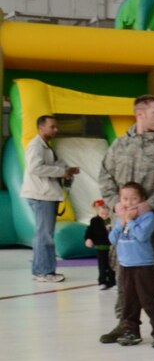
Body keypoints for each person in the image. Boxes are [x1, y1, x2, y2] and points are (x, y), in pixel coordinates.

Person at [98, 96, 154, 345]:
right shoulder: (119, 145)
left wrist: (149, 205)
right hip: (128, 229)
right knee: (125, 277)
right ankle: (126, 324)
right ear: (140, 114)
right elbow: (105, 176)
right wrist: (114, 203)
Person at [105, 183, 154, 347]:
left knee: (148, 299)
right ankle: (131, 331)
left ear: (142, 200)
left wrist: (131, 221)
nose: (129, 202)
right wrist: (122, 222)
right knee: (129, 301)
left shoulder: (147, 216)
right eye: (125, 199)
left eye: (133, 198)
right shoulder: (121, 218)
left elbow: (141, 236)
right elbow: (112, 239)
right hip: (126, 265)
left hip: (143, 265)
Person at [22, 113, 75, 282]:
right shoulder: (36, 146)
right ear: (41, 127)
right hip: (41, 196)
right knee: (44, 235)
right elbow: (35, 168)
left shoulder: (46, 146)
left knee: (42, 234)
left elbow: (52, 165)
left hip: (45, 195)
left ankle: (39, 270)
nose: (55, 130)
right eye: (52, 126)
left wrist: (67, 170)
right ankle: (45, 272)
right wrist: (61, 172)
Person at [85, 200, 114, 289]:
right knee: (102, 266)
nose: (104, 216)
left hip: (112, 248)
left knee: (112, 266)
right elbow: (89, 232)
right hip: (101, 248)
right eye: (102, 214)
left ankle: (112, 281)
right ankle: (102, 281)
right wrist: (88, 239)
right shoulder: (95, 221)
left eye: (106, 214)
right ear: (98, 212)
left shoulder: (112, 220)